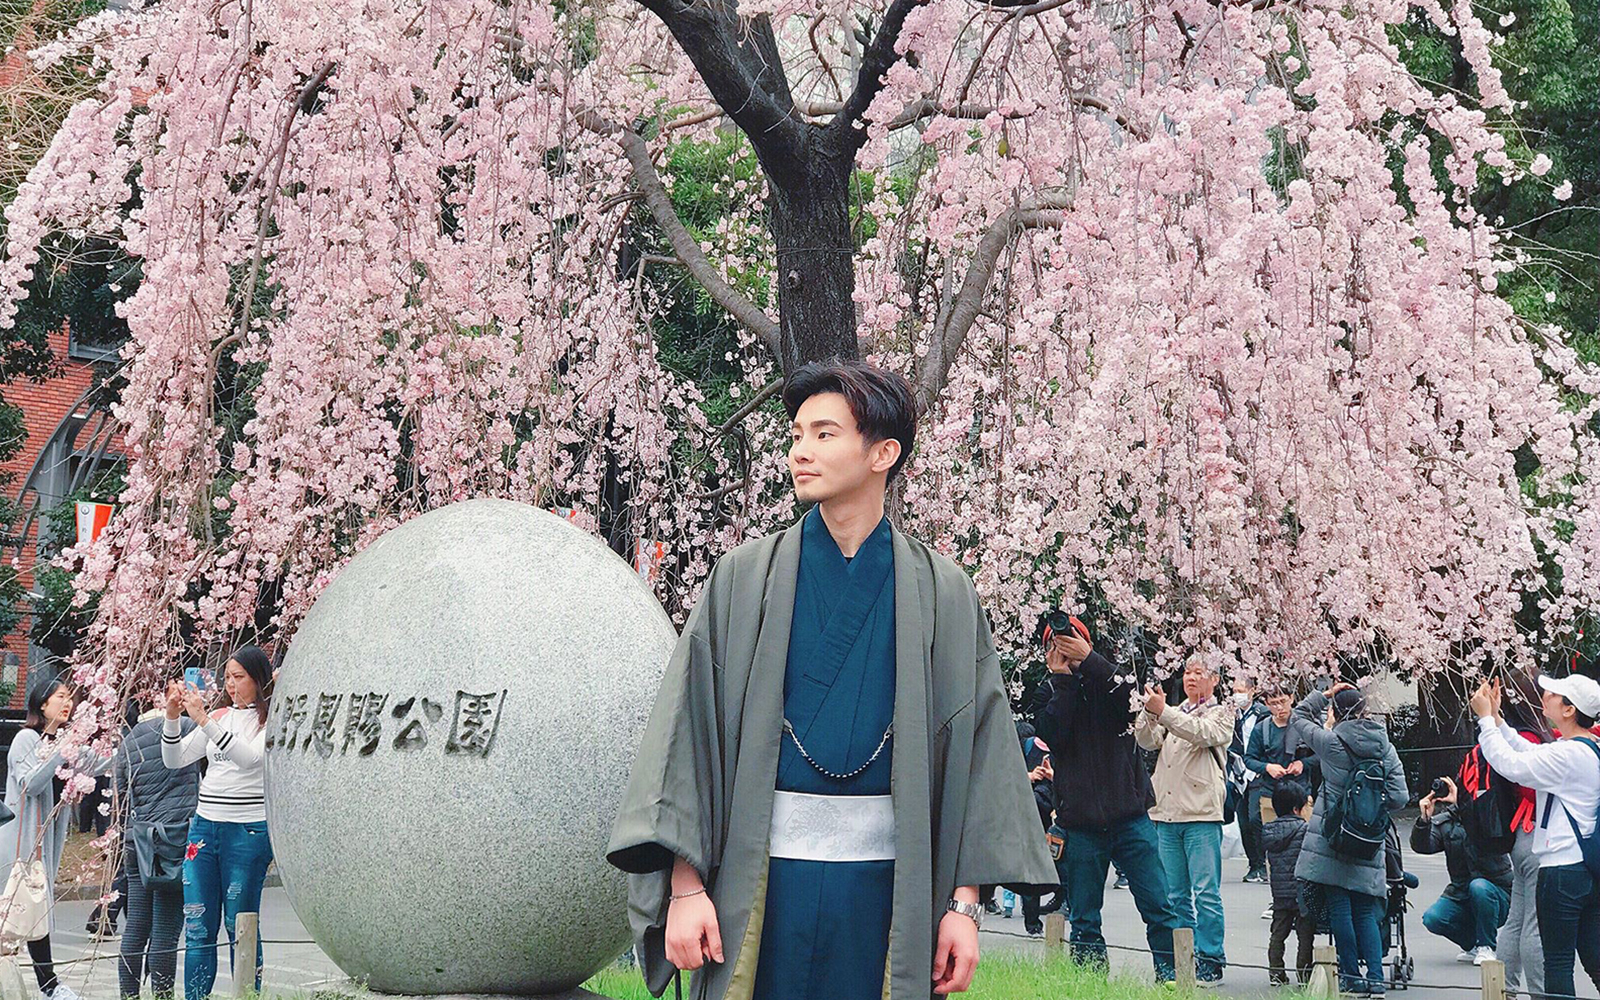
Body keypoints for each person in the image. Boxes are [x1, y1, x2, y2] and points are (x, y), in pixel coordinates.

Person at [606, 359, 1056, 1000]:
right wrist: (684, 888)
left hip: (890, 893)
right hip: (758, 886)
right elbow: (688, 736)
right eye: (795, 435)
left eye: (823, 434)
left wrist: (964, 905)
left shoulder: (944, 593)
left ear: (883, 453)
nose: (800, 452)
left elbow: (979, 753)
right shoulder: (742, 578)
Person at [1032, 624, 1181, 980]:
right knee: (1084, 916)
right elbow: (1051, 733)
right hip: (1080, 823)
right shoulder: (1048, 692)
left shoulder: (1110, 677)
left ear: (1088, 642)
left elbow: (1132, 701)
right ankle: (1090, 984)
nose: (1065, 647)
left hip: (1130, 816)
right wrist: (1064, 680)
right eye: (1056, 644)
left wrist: (1089, 661)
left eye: (1072, 640)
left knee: (1159, 906)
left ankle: (1173, 978)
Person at [1472, 673, 1600, 1000]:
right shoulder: (1582, 748)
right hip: (1585, 869)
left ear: (1570, 709)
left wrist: (1486, 721)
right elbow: (1527, 752)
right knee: (1594, 958)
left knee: (1556, 963)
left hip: (1560, 873)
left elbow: (1511, 765)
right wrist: (1498, 720)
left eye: (1554, 694)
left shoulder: (1568, 755)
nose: (1545, 695)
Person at [162, 646, 275, 1000]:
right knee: (197, 926)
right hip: (204, 827)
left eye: (239, 677)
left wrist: (203, 721)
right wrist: (171, 716)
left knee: (239, 925)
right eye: (227, 677)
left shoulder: (271, 719)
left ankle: (246, 994)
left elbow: (249, 759)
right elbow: (175, 758)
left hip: (247, 830)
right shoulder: (221, 716)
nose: (231, 684)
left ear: (259, 679)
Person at [1290, 682, 1409, 996]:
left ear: (1335, 712)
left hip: (1334, 837)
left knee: (1340, 909)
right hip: (1369, 839)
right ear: (1365, 710)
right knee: (1366, 910)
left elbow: (1299, 716)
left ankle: (1351, 976)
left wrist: (1323, 694)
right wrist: (1370, 809)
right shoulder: (1385, 747)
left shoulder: (1331, 743)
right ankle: (1376, 979)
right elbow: (1400, 796)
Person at [1, 672, 110, 1000]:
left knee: (34, 908)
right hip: (17, 842)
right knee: (23, 905)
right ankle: (50, 985)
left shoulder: (66, 745)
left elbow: (107, 762)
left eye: (69, 697)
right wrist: (63, 749)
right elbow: (31, 783)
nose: (68, 702)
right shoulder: (26, 740)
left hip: (44, 843)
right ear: (42, 703)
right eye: (60, 696)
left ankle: (50, 984)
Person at [1134, 655, 1235, 985]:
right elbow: (1147, 741)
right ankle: (1182, 955)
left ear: (1215, 680)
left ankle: (1211, 956)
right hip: (1167, 813)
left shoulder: (1221, 712)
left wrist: (1164, 711)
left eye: (1199, 673)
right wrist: (1149, 712)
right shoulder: (1175, 712)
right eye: (1188, 672)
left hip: (1202, 814)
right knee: (1174, 894)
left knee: (1206, 892)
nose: (1191, 678)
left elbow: (1202, 733)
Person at [118, 692, 201, 1000]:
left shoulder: (128, 742)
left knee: (136, 928)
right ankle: (162, 996)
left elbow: (121, 797)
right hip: (174, 844)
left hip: (137, 844)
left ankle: (128, 996)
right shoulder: (189, 729)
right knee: (165, 932)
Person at [1410, 774, 1513, 964]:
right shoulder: (1445, 821)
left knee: (1479, 886)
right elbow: (1423, 846)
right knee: (1433, 918)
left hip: (1497, 893)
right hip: (1461, 892)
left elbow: (1491, 837)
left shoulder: (1485, 810)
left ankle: (1487, 947)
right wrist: (1424, 819)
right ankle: (1472, 945)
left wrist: (1463, 805)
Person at [1491, 671, 1549, 997]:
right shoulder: (1532, 739)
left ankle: (1504, 990)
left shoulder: (1510, 735)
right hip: (1537, 832)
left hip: (1519, 835)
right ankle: (1541, 993)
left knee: (1516, 921)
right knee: (1534, 925)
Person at [1264, 780, 1315, 985]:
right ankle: (1304, 974)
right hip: (1302, 891)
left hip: (1279, 893)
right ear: (1296, 808)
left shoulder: (1268, 831)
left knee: (1278, 933)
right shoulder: (1305, 829)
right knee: (1305, 935)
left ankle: (1276, 973)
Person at [1017, 722, 1063, 936]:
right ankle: (1035, 920)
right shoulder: (1034, 747)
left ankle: (1033, 921)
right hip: (1034, 814)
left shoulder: (1038, 750)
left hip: (1034, 814)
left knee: (1032, 867)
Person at [1230, 678, 1274, 883]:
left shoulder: (1262, 714)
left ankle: (1264, 863)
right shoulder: (1232, 714)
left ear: (1251, 691)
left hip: (1257, 770)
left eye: (1241, 690)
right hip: (1237, 772)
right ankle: (1254, 863)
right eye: (1234, 690)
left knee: (1256, 817)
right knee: (1243, 821)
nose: (1237, 694)